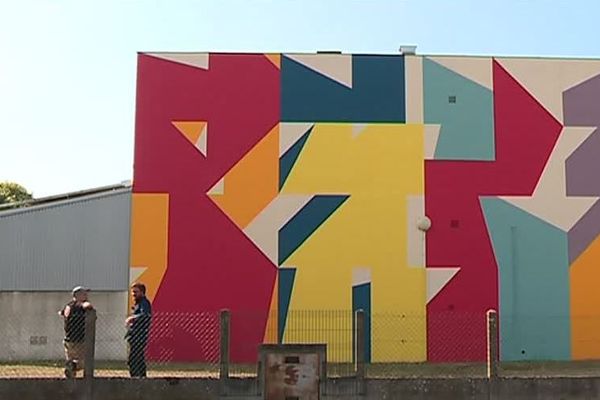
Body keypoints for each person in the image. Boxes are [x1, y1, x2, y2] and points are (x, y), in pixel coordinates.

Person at [58, 286, 93, 378]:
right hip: (78, 340)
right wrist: (87, 305)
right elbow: (87, 306)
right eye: (84, 294)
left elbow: (61, 313)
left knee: (71, 360)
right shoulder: (78, 305)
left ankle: (70, 380)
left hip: (68, 339)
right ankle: (71, 367)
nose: (86, 296)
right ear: (78, 295)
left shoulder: (68, 305)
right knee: (84, 362)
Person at [125, 282, 152, 378]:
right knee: (138, 359)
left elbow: (145, 315)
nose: (133, 294)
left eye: (136, 292)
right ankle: (141, 378)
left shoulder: (144, 303)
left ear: (142, 292)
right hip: (134, 336)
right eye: (132, 292)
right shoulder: (138, 303)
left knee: (133, 359)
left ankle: (136, 378)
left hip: (139, 336)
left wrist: (132, 318)